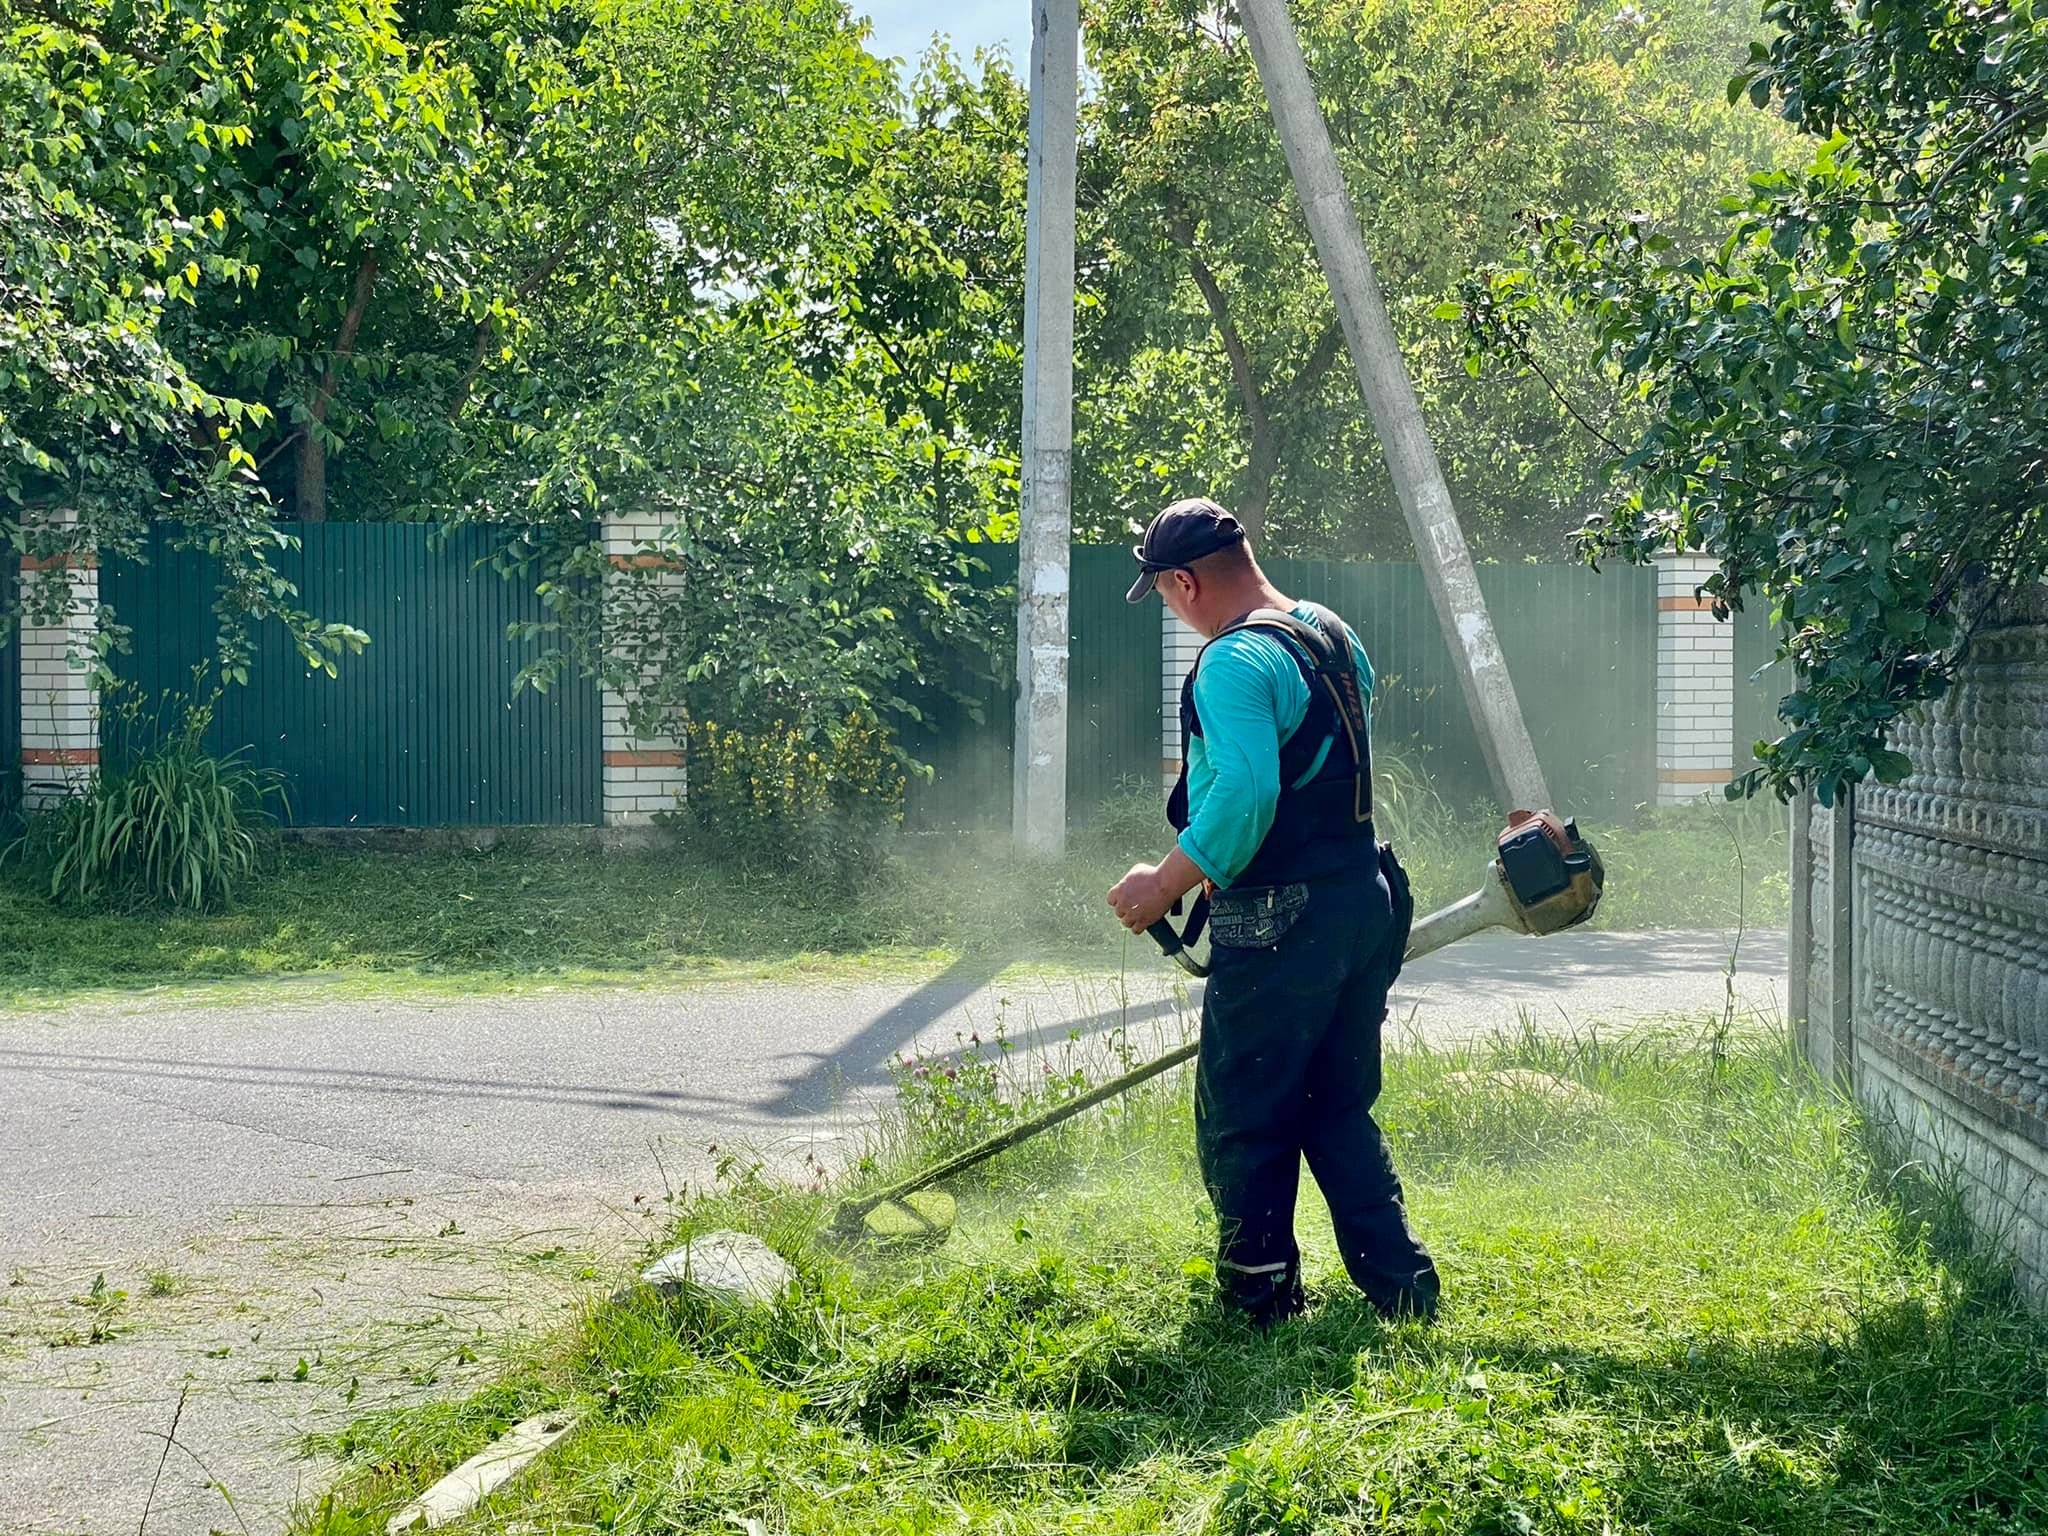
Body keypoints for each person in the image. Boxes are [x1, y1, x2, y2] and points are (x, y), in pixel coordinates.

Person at [1107, 496, 1440, 1327]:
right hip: (1363, 895)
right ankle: (1403, 1289)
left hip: (1284, 914)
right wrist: (1218, 861)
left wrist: (1168, 880)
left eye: (1166, 594)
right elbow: (1301, 770)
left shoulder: (1232, 662)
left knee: (1246, 1108)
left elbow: (1248, 792)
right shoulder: (1327, 631)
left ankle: (1259, 1299)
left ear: (1183, 581)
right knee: (1335, 1103)